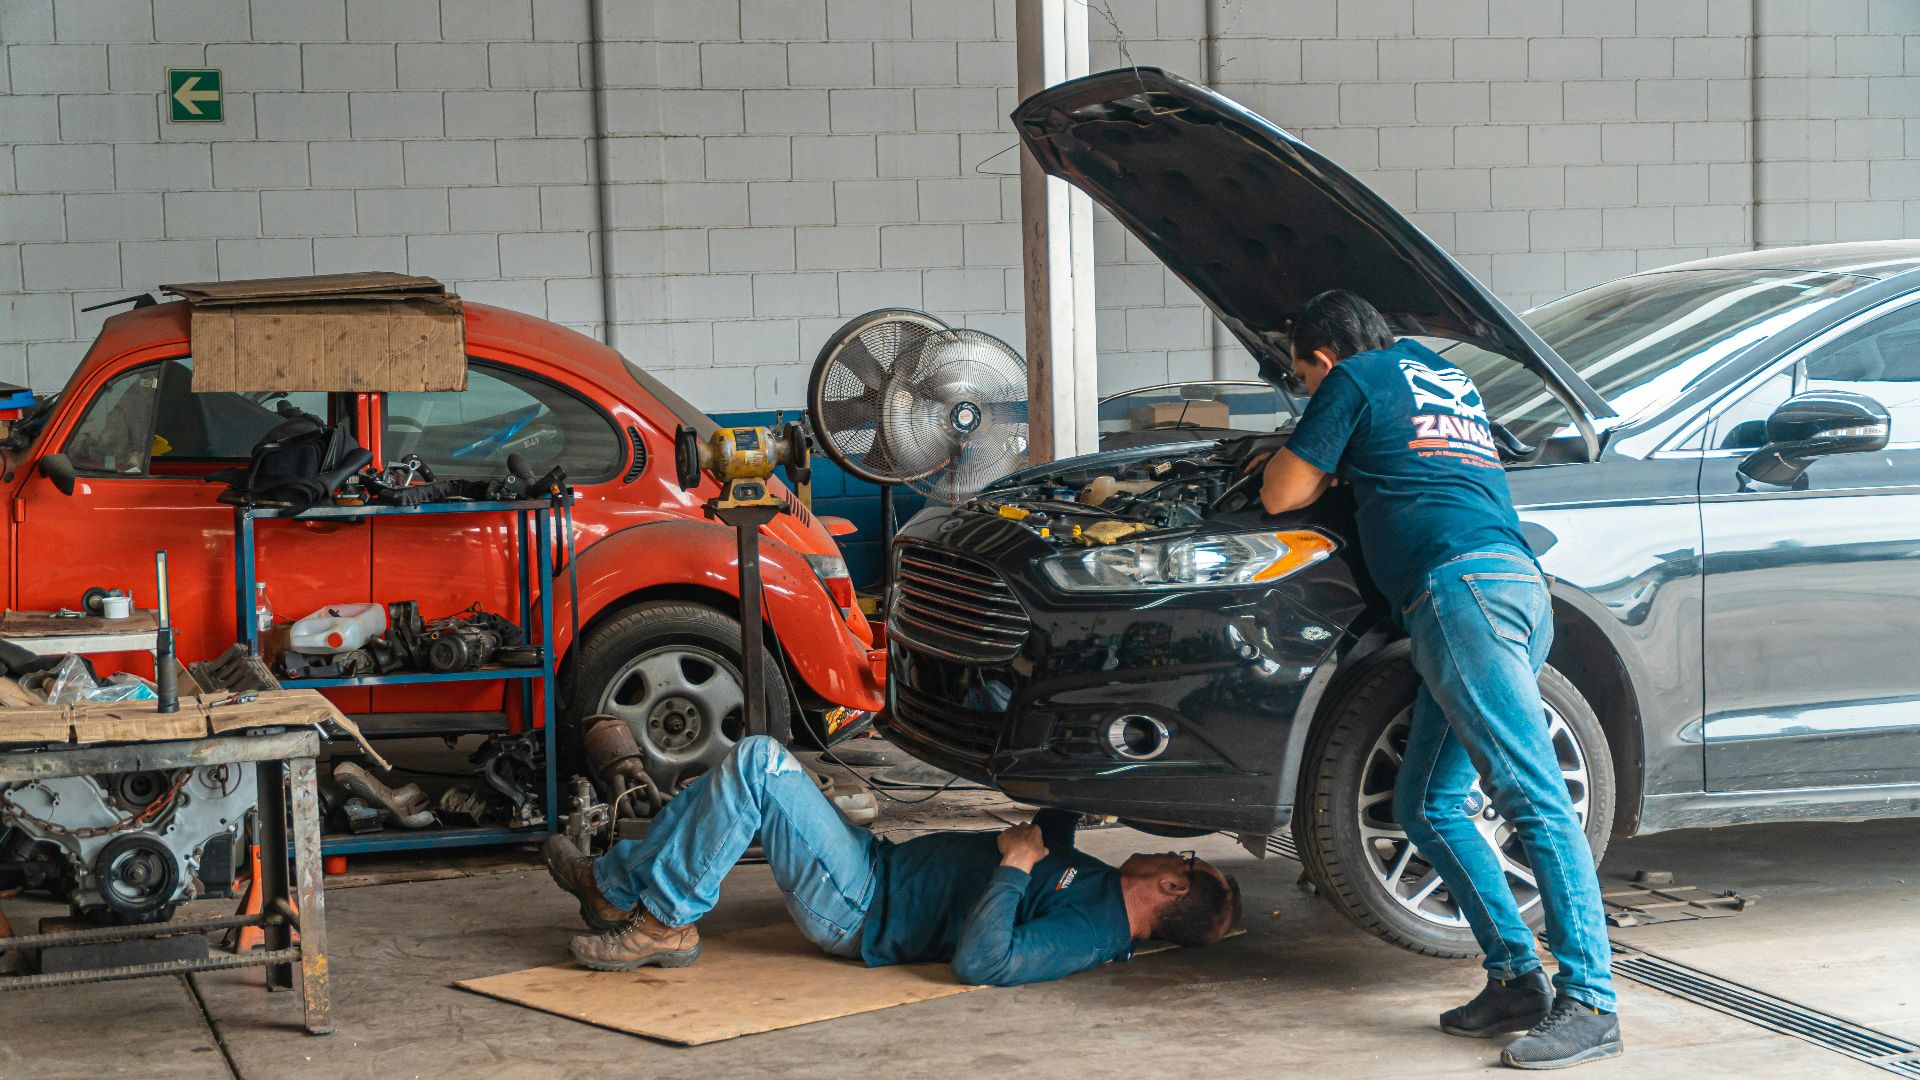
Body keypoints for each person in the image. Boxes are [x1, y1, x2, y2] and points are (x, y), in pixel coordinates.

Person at [1252, 290, 1621, 1070]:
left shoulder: (1352, 378)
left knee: (1532, 799)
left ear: (1324, 356)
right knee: (1428, 805)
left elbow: (1282, 492)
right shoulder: (1441, 376)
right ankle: (1517, 978)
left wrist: (1311, 450)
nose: (1311, 390)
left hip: (1463, 598)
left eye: (1304, 378)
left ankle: (1591, 1002)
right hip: (1513, 584)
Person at [542, 735, 1240, 986]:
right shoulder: (1097, 885)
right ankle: (612, 888)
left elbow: (986, 963)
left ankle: (665, 923)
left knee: (759, 764)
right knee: (724, 787)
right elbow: (1054, 825)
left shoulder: (1090, 932)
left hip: (860, 909)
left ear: (1172, 885)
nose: (1168, 849)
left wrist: (1015, 866)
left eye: (1181, 856)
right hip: (875, 866)